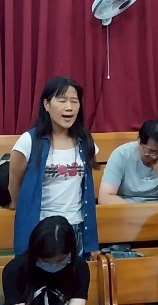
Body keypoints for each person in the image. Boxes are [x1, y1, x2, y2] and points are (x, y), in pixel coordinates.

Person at [8, 77, 99, 257]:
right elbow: (14, 185)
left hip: (76, 228)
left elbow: (86, 190)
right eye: (62, 100)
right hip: (41, 228)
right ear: (46, 104)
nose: (69, 107)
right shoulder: (28, 141)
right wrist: (26, 212)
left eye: (74, 101)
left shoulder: (85, 141)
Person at [1, 215, 90, 305]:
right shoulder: (14, 271)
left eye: (61, 261)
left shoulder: (79, 268)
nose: (54, 265)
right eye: (46, 261)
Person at [98, 119, 158, 203]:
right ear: (139, 139)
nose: (154, 156)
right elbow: (105, 197)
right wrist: (138, 212)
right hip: (128, 207)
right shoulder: (121, 154)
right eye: (150, 150)